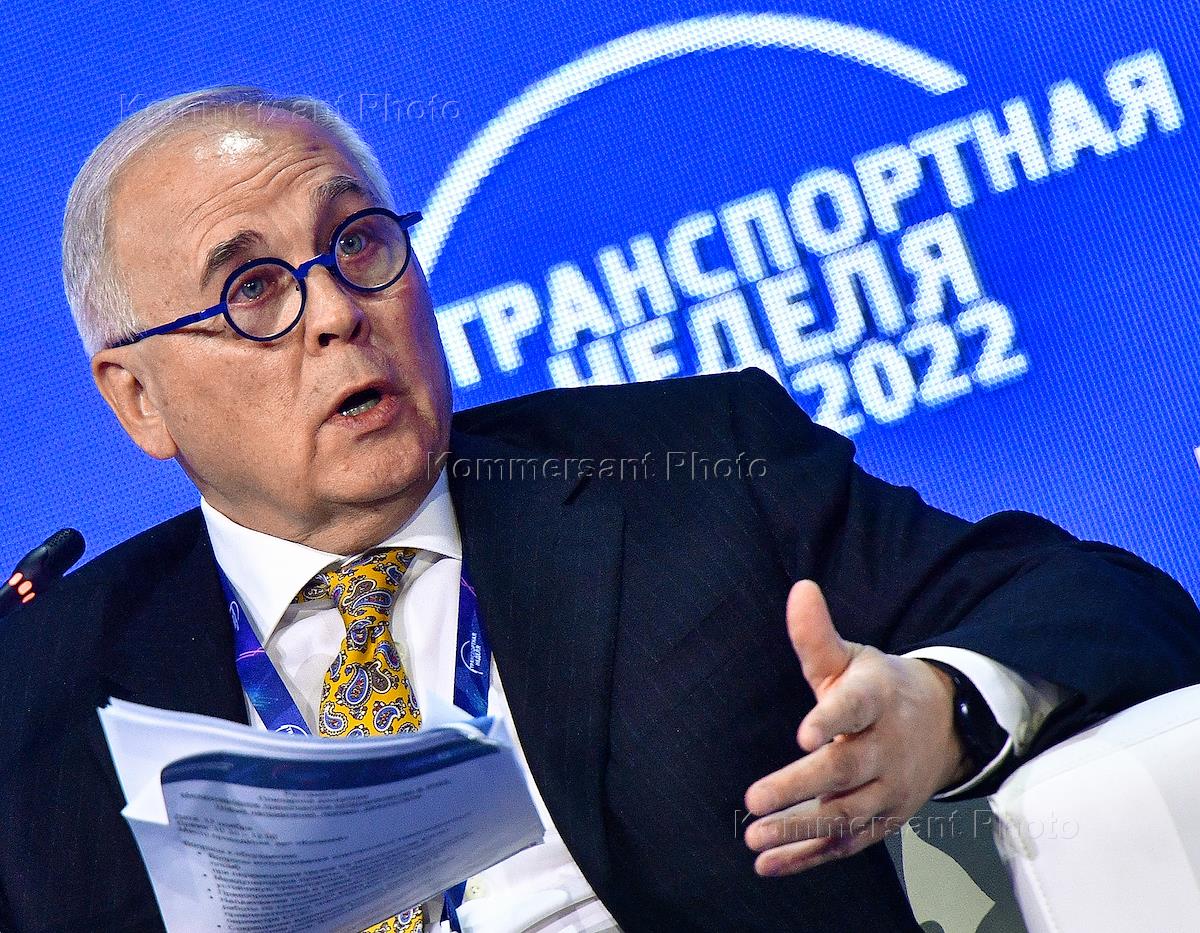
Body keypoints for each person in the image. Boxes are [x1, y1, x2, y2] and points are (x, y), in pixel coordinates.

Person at [1, 86, 1197, 933]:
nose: (336, 312)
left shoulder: (686, 469)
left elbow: (1102, 602)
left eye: (359, 243)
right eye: (253, 288)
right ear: (138, 399)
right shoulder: (39, 693)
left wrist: (943, 709)